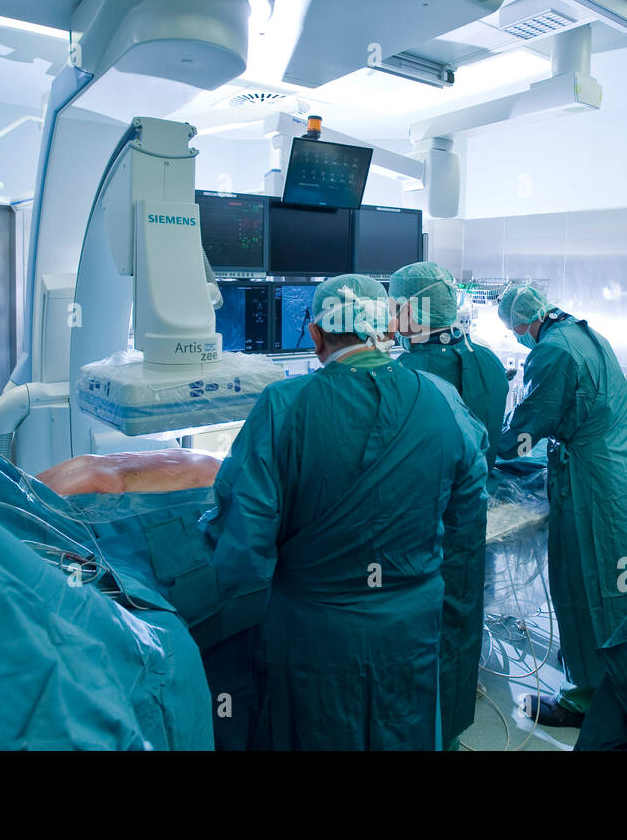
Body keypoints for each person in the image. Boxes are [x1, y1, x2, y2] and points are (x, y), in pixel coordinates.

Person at [199, 273, 490, 750]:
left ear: (314, 334)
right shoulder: (443, 400)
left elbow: (241, 551)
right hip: (408, 633)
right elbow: (465, 519)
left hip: (314, 640)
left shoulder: (284, 407)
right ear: (388, 330)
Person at [494, 283, 627, 728]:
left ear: (525, 322)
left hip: (591, 487)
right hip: (622, 477)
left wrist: (486, 444)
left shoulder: (552, 352)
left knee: (588, 587)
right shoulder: (587, 335)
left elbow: (528, 424)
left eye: (514, 330)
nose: (517, 338)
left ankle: (590, 700)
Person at [389, 261, 507, 750]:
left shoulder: (402, 377)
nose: (389, 316)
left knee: (413, 638)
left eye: (395, 306)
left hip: (414, 534)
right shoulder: (491, 363)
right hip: (468, 522)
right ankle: (451, 730)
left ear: (413, 311)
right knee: (459, 625)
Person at [389, 261, 509, 470]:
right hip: (478, 492)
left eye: (394, 309)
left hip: (428, 497)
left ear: (408, 309)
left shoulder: (405, 374)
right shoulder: (489, 359)